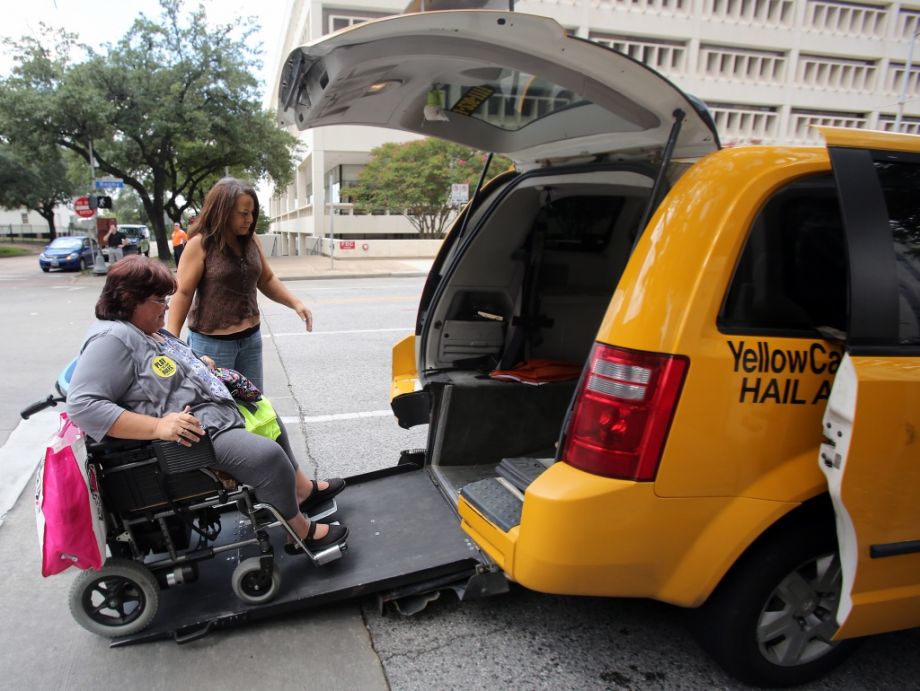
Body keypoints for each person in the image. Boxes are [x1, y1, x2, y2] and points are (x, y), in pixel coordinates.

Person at [67, 255, 347, 555]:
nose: (166, 307)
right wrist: (159, 426)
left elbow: (157, 368)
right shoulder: (113, 339)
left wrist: (196, 365)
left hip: (210, 415)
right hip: (191, 437)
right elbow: (83, 405)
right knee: (267, 456)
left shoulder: (139, 329)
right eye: (159, 300)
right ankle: (300, 533)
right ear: (128, 298)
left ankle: (300, 492)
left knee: (265, 414)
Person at [168, 178, 311, 392]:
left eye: (252, 213)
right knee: (218, 414)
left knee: (254, 409)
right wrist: (172, 342)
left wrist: (295, 303)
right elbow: (184, 292)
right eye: (243, 213)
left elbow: (266, 279)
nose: (249, 219)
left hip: (250, 341)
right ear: (222, 211)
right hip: (211, 345)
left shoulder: (251, 239)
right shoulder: (200, 244)